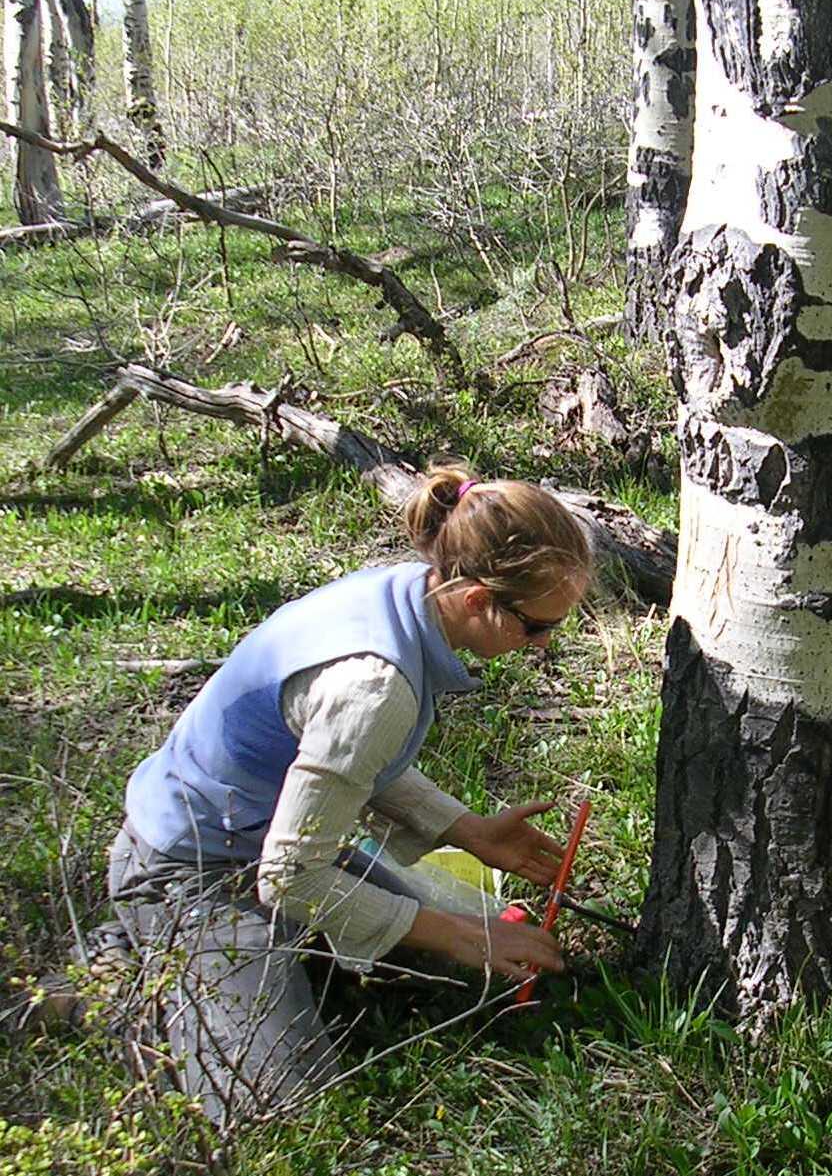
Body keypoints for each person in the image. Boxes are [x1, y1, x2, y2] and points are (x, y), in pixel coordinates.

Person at [105, 465, 592, 1125]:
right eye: (536, 627)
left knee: (479, 968)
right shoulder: (375, 684)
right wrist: (457, 935)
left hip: (268, 839)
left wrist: (465, 829)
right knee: (282, 1114)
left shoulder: (407, 592)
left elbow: (346, 759)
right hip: (190, 868)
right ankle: (121, 972)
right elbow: (290, 875)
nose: (543, 644)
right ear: (479, 599)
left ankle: (269, 963)